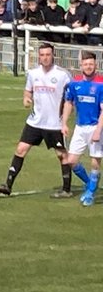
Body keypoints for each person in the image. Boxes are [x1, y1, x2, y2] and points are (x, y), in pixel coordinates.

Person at [0, 43, 73, 197]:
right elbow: (27, 91)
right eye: (42, 55)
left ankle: (66, 189)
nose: (45, 58)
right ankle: (8, 186)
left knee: (61, 155)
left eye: (48, 55)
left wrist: (65, 119)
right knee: (20, 150)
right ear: (39, 56)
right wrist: (26, 99)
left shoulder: (63, 75)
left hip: (54, 124)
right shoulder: (33, 73)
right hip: (35, 121)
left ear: (53, 55)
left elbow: (71, 98)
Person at [60, 51, 103, 206]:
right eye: (85, 64)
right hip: (79, 127)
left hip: (96, 127)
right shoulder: (74, 83)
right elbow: (68, 103)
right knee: (71, 161)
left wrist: (98, 130)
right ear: (81, 66)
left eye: (91, 64)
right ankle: (90, 183)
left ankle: (90, 192)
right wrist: (64, 123)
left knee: (95, 161)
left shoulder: (101, 84)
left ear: (95, 65)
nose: (88, 66)